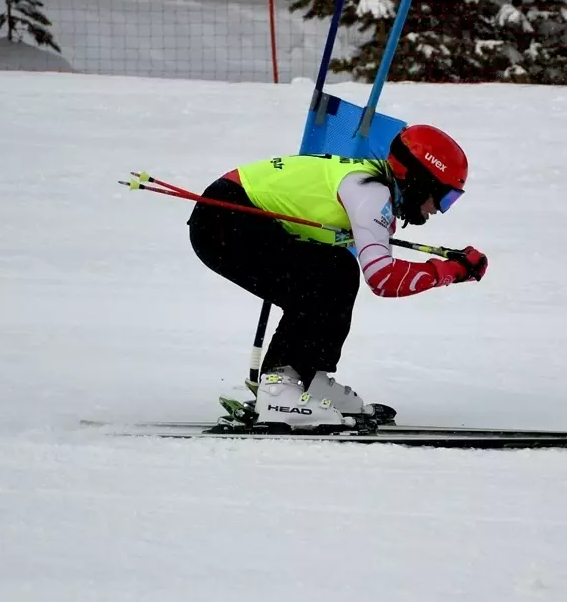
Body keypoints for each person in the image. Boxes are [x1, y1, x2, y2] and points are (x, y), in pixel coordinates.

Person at [187, 124, 488, 430]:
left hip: (229, 215)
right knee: (320, 277)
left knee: (338, 269)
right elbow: (383, 279)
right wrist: (451, 271)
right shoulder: (369, 192)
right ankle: (279, 389)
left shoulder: (371, 188)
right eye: (444, 198)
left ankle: (308, 378)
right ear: (417, 182)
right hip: (223, 218)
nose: (439, 210)